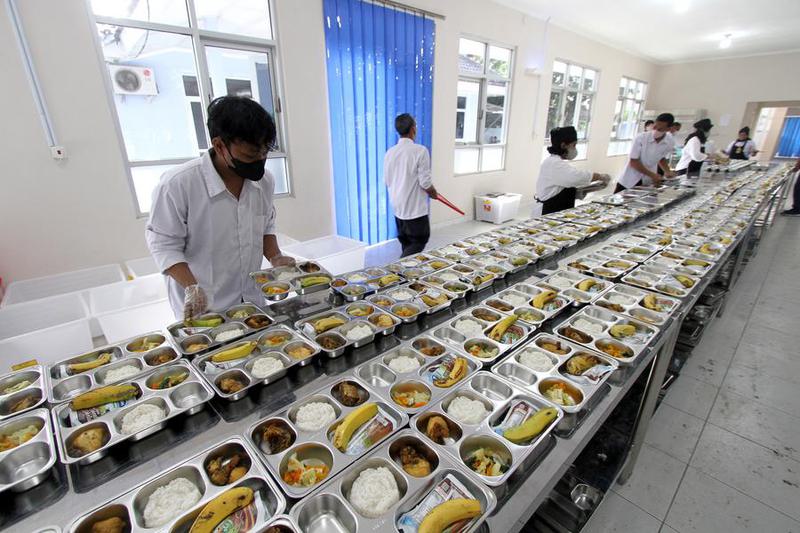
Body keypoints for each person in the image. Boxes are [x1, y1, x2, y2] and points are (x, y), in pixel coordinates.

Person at [146, 96, 295, 321]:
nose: (260, 160)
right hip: (205, 308)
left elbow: (265, 225)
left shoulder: (265, 181)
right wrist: (192, 288)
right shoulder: (178, 184)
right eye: (250, 155)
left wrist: (276, 257)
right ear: (219, 145)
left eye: (265, 153)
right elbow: (163, 245)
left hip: (252, 302)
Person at [384, 113, 438, 257]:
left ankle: (407, 269)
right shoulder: (420, 151)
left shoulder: (390, 153)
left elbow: (387, 181)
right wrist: (433, 193)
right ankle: (397, 269)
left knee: (406, 243)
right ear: (413, 129)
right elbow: (425, 182)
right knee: (419, 241)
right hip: (415, 210)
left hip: (398, 208)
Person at [533, 126, 610, 216]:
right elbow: (577, 177)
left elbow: (559, 189)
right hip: (547, 211)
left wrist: (588, 189)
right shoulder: (554, 163)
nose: (575, 149)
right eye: (574, 145)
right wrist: (600, 176)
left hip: (555, 209)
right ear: (563, 145)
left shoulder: (557, 162)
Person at [615, 113, 677, 192]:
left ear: (668, 129)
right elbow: (633, 162)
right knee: (620, 198)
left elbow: (661, 157)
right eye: (655, 126)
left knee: (644, 197)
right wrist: (652, 175)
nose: (656, 130)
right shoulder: (641, 138)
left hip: (647, 180)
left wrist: (667, 171)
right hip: (629, 178)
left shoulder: (669, 141)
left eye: (660, 129)